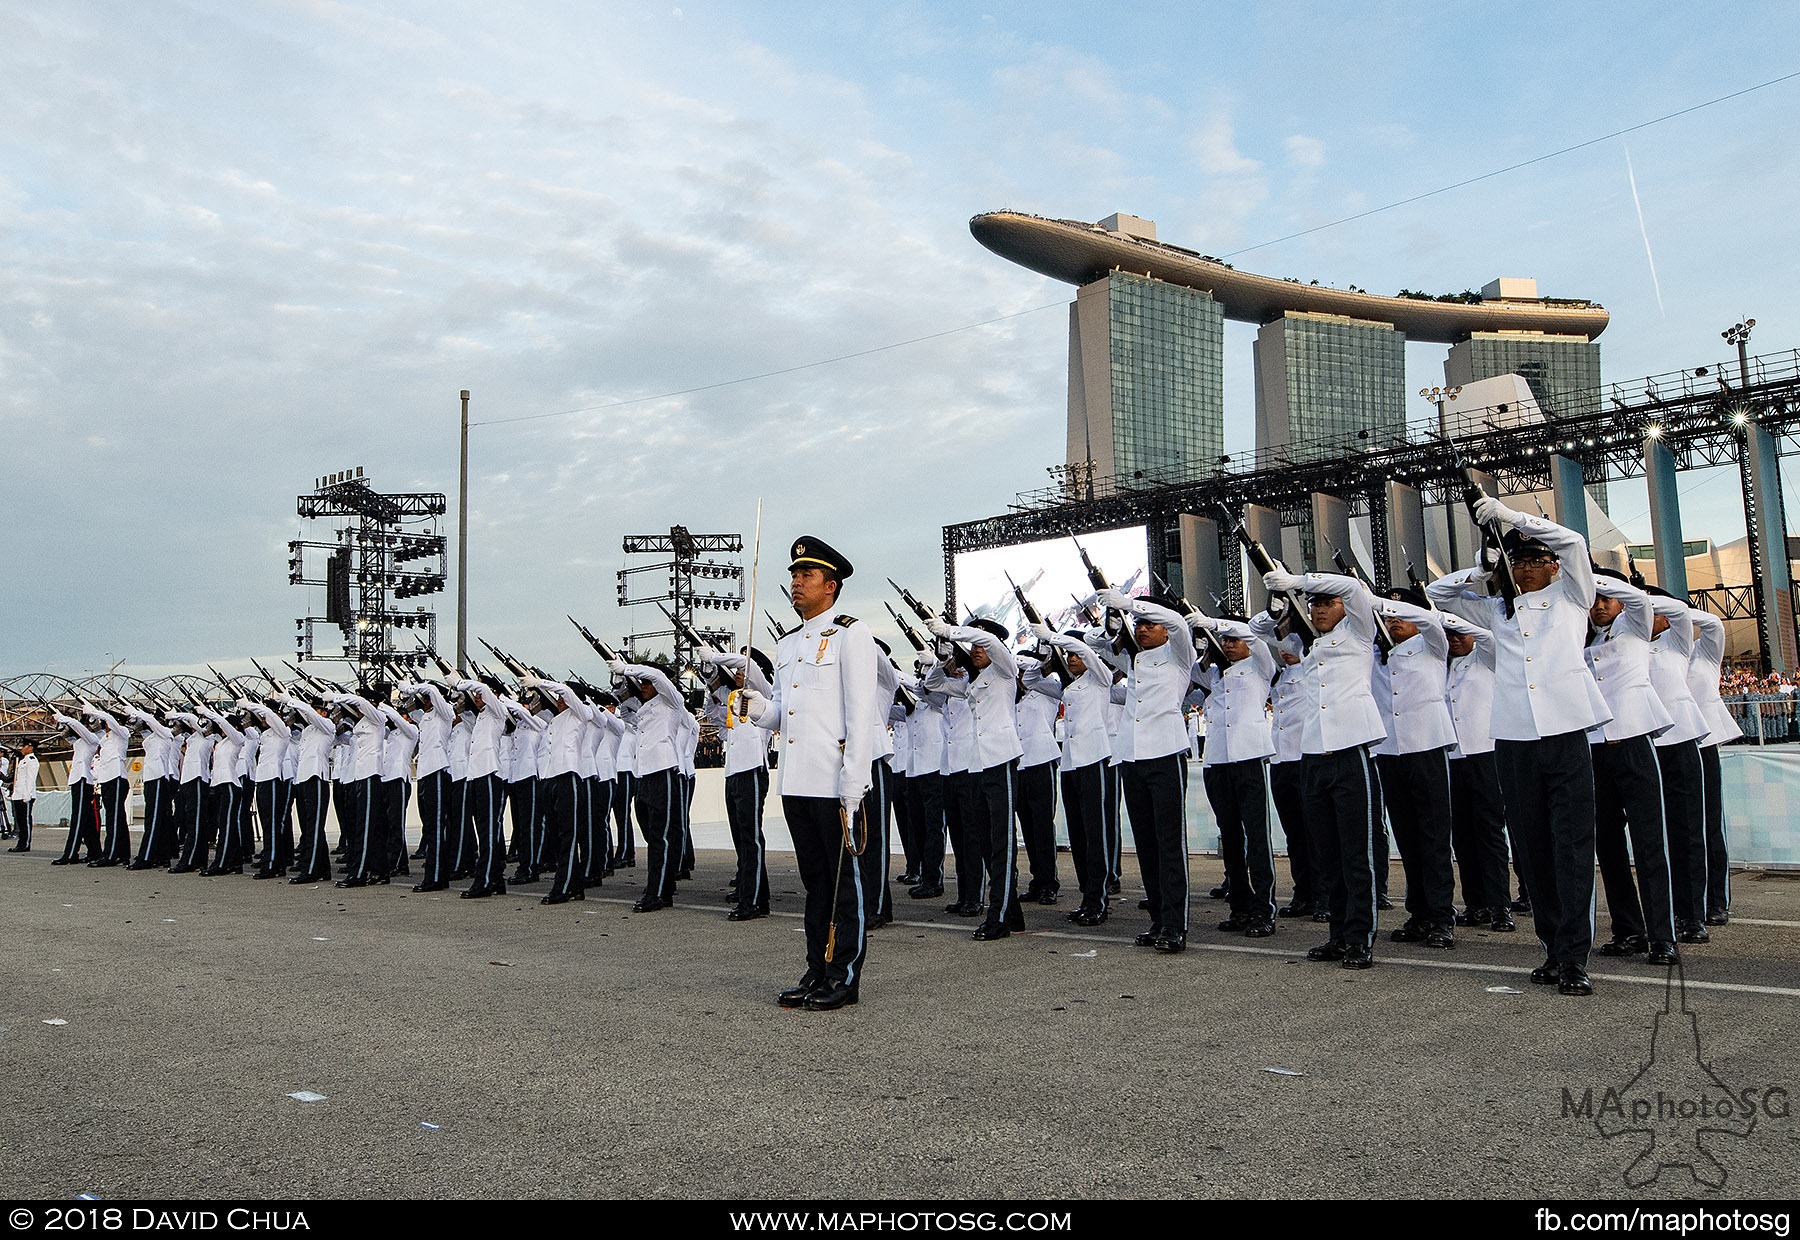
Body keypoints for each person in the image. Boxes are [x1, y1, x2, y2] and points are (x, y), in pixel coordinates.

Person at [1428, 500, 1611, 996]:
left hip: (1566, 731)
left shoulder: (1574, 595)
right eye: (1520, 560)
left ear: (1552, 566)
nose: (1528, 567)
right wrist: (1485, 569)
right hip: (1513, 738)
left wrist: (1511, 518)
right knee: (1532, 850)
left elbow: (1573, 540)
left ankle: (1575, 957)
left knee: (1572, 848)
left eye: (1536, 559)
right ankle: (1553, 948)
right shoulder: (1494, 609)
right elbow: (1436, 593)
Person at [745, 536, 883, 1011]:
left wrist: (853, 782)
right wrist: (759, 708)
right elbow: (785, 711)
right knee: (816, 883)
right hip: (798, 780)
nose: (796, 583)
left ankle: (844, 975)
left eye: (806, 576)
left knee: (845, 883)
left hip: (834, 779)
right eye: (794, 575)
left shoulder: (852, 634)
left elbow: (861, 713)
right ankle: (817, 968)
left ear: (831, 585)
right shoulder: (787, 643)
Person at [1257, 570, 1386, 970]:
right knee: (1327, 854)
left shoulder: (1361, 633)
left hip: (1350, 751)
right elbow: (1260, 629)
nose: (1318, 609)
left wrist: (1298, 579)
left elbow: (1351, 587)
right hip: (1311, 754)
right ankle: (1338, 934)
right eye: (1313, 603)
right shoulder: (1310, 647)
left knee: (1355, 854)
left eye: (1325, 602)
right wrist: (1282, 597)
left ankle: (1361, 937)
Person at [1097, 588, 1197, 954]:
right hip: (1133, 757)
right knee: (1147, 845)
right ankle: (1158, 917)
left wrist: (1131, 604)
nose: (1141, 629)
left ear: (1165, 630)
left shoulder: (1179, 654)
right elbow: (1096, 649)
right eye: (1138, 624)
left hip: (1165, 753)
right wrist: (1108, 623)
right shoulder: (1136, 661)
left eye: (1149, 624)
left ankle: (1175, 924)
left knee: (1170, 844)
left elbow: (1178, 622)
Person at [925, 614, 1027, 941]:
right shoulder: (973, 679)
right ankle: (1011, 911)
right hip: (976, 764)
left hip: (1000, 759)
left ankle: (998, 916)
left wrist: (954, 631)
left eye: (979, 643)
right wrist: (945, 659)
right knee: (984, 841)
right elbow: (933, 685)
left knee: (1002, 841)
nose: (976, 649)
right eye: (973, 645)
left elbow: (995, 644)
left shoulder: (1004, 669)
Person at [1371, 591, 1459, 950]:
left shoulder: (1432, 644)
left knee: (1434, 837)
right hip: (1391, 750)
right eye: (1389, 616)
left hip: (1427, 747)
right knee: (1407, 836)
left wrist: (1384, 603)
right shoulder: (1376, 653)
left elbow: (1430, 620)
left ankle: (1441, 915)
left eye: (1400, 614)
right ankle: (1419, 912)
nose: (1394, 620)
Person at [1190, 614, 1278, 938]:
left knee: (1257, 837)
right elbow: (1188, 667)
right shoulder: (1212, 673)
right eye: (1225, 641)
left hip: (1248, 758)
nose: (1228, 644)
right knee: (1229, 837)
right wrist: (1205, 642)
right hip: (1218, 760)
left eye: (1233, 639)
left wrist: (1216, 624)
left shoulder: (1260, 665)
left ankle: (1264, 909)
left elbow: (1253, 636)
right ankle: (1240, 906)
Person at [1032, 624, 1115, 925]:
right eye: (1066, 655)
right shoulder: (1067, 686)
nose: (1070, 658)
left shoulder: (1101, 678)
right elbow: (1031, 680)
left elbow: (1089, 655)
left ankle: (1099, 900)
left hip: (1094, 758)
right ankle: (1086, 896)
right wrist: (1045, 656)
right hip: (1070, 763)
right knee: (1079, 835)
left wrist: (1056, 636)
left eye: (1074, 654)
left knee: (1096, 835)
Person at [1644, 587, 1713, 945]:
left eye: (1651, 610)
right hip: (1644, 741)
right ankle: (1659, 913)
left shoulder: (1677, 641)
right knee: (1654, 837)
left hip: (1680, 740)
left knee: (1687, 830)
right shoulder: (1628, 638)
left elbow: (1686, 613)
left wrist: (1641, 596)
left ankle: (1691, 914)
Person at [1440, 613, 1515, 933]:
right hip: (1453, 757)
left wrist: (1455, 618)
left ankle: (1500, 905)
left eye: (1460, 634)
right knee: (1463, 836)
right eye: (1450, 635)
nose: (1456, 639)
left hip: (1484, 754)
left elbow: (1488, 638)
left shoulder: (1486, 659)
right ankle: (1476, 904)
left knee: (1489, 832)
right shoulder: (1442, 665)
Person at [699, 648, 775, 921]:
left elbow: (748, 664)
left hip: (753, 770)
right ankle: (753, 892)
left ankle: (752, 900)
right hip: (734, 772)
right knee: (741, 837)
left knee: (751, 837)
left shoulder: (764, 693)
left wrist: (714, 656)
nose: (740, 673)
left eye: (743, 672)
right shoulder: (735, 700)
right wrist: (711, 681)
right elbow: (716, 716)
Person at [1686, 607, 1738, 925]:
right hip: (1670, 744)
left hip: (1703, 744)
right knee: (1682, 829)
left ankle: (1717, 901)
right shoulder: (1652, 649)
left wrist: (1673, 610)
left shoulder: (1703, 650)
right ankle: (1689, 903)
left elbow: (1712, 623)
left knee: (1709, 826)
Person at [7, 740, 38, 852]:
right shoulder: (22, 761)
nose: (22, 748)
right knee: (20, 821)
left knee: (25, 821)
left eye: (24, 746)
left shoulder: (32, 761)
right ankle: (21, 843)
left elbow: (30, 780)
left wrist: (27, 796)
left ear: (30, 747)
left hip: (26, 795)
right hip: (18, 795)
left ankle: (25, 843)